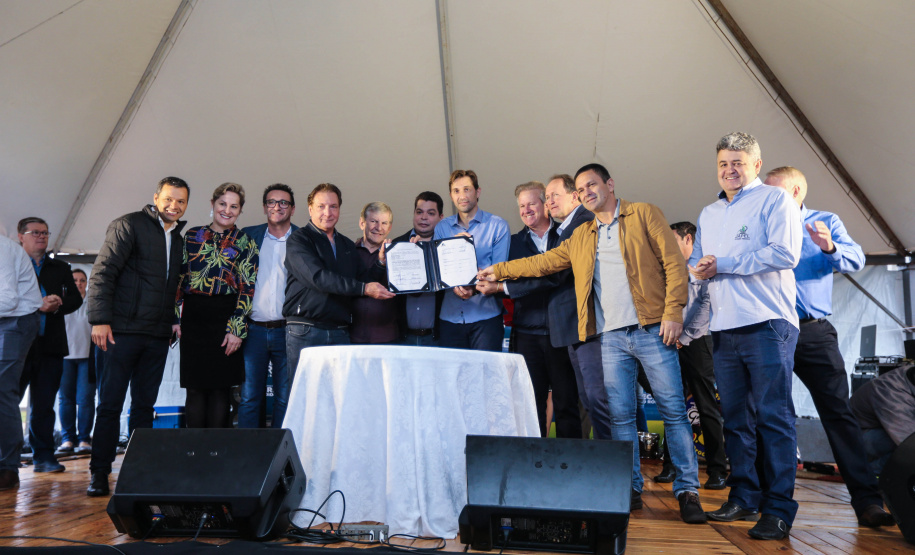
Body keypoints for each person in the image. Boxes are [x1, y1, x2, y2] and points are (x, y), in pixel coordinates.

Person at [479, 163, 706, 524]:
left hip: (651, 329)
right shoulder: (583, 234)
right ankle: (629, 487)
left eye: (591, 185)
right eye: (581, 188)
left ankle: (687, 490)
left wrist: (674, 311)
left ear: (610, 184)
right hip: (610, 337)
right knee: (619, 418)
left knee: (674, 411)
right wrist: (500, 271)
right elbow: (545, 262)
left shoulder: (644, 213)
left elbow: (674, 263)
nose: (586, 192)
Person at [765, 166, 894, 527]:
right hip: (769, 332)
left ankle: (868, 502)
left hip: (812, 332)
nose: (766, 198)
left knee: (839, 415)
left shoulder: (825, 221)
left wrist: (829, 246)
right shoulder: (761, 227)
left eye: (773, 192)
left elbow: (856, 259)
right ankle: (769, 501)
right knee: (771, 415)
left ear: (794, 193)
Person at [689, 132, 802, 540]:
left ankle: (778, 508)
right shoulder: (709, 213)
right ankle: (744, 495)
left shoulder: (775, 200)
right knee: (736, 419)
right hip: (723, 327)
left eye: (738, 162)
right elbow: (699, 266)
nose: (729, 170)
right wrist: (697, 272)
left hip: (767, 323)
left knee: (774, 417)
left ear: (756, 165)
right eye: (723, 163)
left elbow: (787, 252)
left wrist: (725, 263)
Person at [87, 176, 190, 497]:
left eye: (181, 201)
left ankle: (138, 473)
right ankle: (99, 474)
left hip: (157, 335)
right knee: (109, 406)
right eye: (169, 199)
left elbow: (172, 286)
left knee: (145, 408)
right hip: (120, 333)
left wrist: (173, 319)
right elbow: (103, 271)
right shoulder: (128, 225)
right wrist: (100, 319)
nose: (174, 206)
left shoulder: (180, 239)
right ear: (156, 197)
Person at [477, 181, 581, 438]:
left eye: (531, 203)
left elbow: (559, 275)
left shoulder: (567, 234)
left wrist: (506, 288)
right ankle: (535, 463)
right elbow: (502, 274)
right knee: (529, 405)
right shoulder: (512, 244)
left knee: (567, 403)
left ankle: (569, 466)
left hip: (564, 332)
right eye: (521, 206)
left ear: (546, 204)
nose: (526, 210)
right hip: (526, 334)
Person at [284, 184, 393, 380]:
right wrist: (363, 288)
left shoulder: (346, 244)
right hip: (306, 330)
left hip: (340, 332)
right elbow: (318, 278)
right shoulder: (298, 240)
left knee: (338, 399)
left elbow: (361, 280)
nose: (328, 212)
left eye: (333, 206)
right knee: (305, 399)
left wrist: (380, 262)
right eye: (321, 206)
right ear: (310, 209)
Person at [175, 183, 258, 429]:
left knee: (222, 391)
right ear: (212, 204)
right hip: (194, 318)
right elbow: (178, 280)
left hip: (226, 318)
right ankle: (194, 454)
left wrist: (236, 329)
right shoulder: (191, 236)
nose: (227, 210)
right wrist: (174, 317)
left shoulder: (246, 242)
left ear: (240, 210)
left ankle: (216, 455)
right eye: (223, 204)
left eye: (234, 206)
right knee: (195, 389)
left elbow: (247, 288)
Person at [652, 222, 728, 490]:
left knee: (706, 406)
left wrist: (682, 339)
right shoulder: (669, 270)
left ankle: (718, 469)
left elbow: (704, 307)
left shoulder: (702, 268)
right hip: (671, 343)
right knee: (674, 406)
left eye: (673, 240)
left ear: (689, 239)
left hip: (697, 342)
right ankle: (673, 466)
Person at [545, 174, 611, 440]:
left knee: (598, 399)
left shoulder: (583, 223)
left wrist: (503, 284)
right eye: (546, 197)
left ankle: (617, 466)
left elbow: (554, 272)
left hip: (588, 328)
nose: (549, 201)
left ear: (574, 196)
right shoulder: (566, 228)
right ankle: (605, 463)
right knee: (587, 398)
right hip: (574, 329)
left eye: (554, 195)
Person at [18, 217, 82, 473]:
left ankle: (43, 457)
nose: (42, 237)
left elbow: (75, 300)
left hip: (51, 345)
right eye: (36, 232)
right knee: (9, 403)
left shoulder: (60, 267)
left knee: (44, 406)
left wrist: (56, 305)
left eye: (45, 232)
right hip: (17, 346)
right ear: (20, 236)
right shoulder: (11, 264)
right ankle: (7, 459)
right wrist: (37, 304)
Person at [239, 184, 298, 429]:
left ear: (292, 209)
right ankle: (247, 459)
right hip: (254, 330)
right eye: (272, 202)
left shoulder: (303, 239)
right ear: (264, 207)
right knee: (250, 397)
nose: (277, 207)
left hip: (289, 330)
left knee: (286, 398)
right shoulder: (247, 235)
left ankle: (279, 459)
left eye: (283, 202)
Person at [434, 170, 510, 351]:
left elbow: (499, 272)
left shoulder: (498, 225)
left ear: (478, 192)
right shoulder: (442, 228)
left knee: (486, 375)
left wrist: (472, 285)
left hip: (486, 318)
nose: (462, 196)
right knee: (454, 377)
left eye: (467, 189)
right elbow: (438, 270)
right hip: (450, 318)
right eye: (456, 191)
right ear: (451, 196)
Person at [0, 235, 42, 490]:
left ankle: (7, 467)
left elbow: (8, 299)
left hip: (17, 319)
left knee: (2, 388)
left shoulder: (3, 250)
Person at [394, 192, 445, 346]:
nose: (424, 217)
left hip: (437, 337)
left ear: (440, 217)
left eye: (430, 213)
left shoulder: (446, 248)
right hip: (402, 337)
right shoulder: (396, 246)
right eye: (419, 212)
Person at [849, 364, 915, 477]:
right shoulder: (892, 392)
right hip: (858, 439)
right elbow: (907, 441)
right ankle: (869, 473)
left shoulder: (909, 375)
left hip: (884, 431)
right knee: (907, 448)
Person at [57, 268, 95, 455]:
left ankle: (84, 439)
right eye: (75, 280)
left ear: (87, 283)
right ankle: (67, 439)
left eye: (82, 280)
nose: (79, 283)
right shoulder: (61, 300)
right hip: (64, 357)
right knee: (65, 400)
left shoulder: (93, 301)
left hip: (87, 357)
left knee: (86, 399)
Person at [351, 202, 400, 344]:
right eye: (374, 221)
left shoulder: (397, 255)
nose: (379, 228)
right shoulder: (348, 252)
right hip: (353, 337)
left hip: (388, 337)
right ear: (362, 223)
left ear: (389, 228)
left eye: (384, 223)